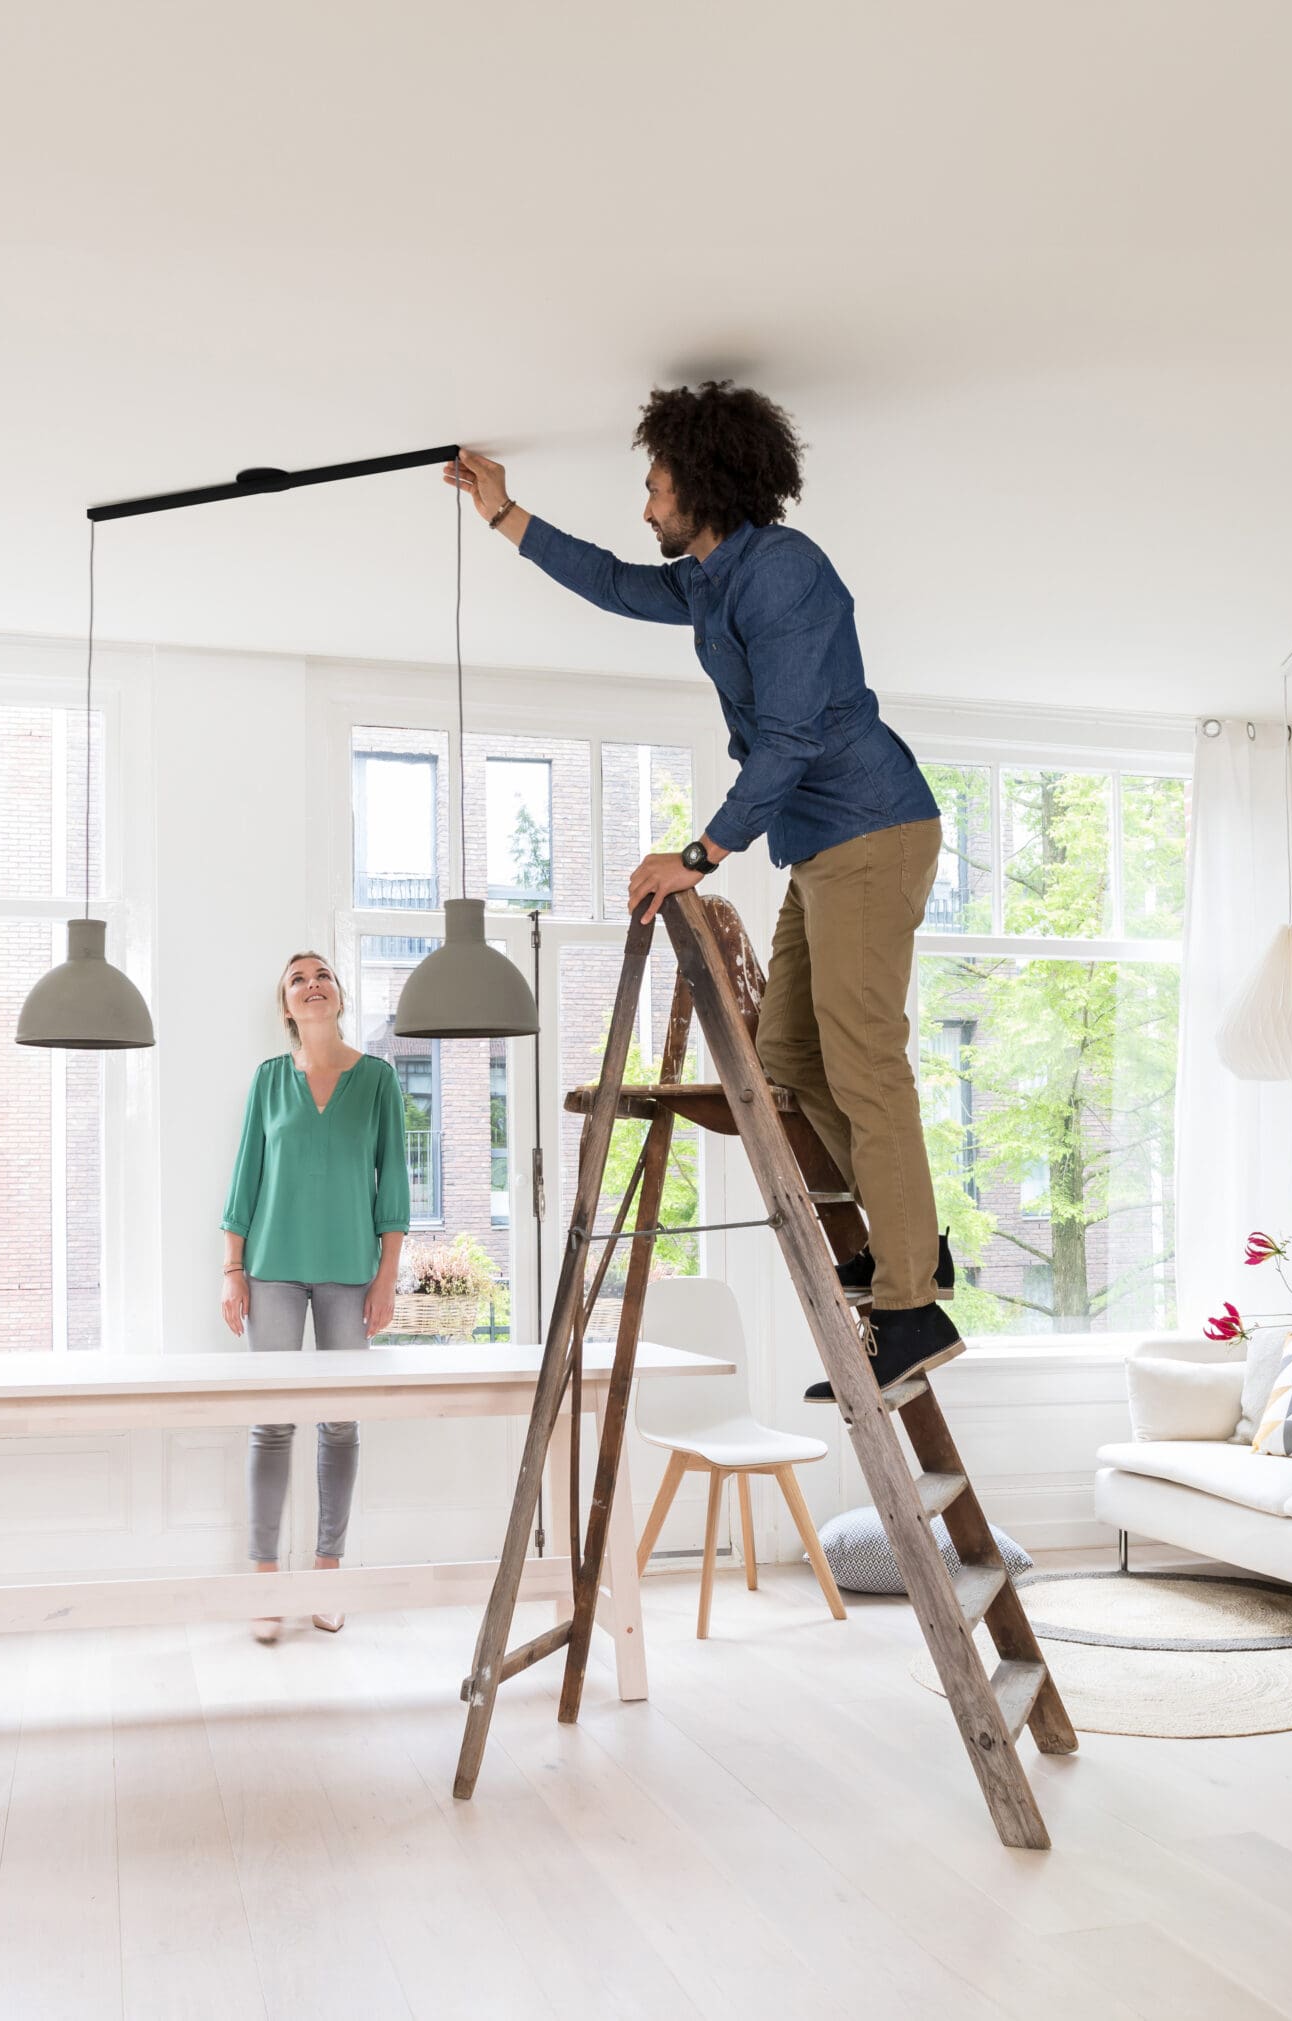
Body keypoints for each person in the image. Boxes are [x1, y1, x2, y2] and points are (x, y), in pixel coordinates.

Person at [447, 382, 958, 1402]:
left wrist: (702, 850)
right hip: (823, 845)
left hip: (873, 830)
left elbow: (792, 738)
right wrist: (503, 513)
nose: (645, 506)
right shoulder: (712, 581)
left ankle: (910, 1306)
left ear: (703, 480)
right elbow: (609, 581)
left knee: (865, 1060)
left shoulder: (786, 575)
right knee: (787, 1056)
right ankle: (911, 1245)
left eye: (654, 484)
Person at [220, 950, 410, 1641]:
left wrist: (388, 1274)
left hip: (349, 1271)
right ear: (287, 1006)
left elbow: (393, 1189)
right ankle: (266, 1580)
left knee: (339, 1421)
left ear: (338, 993)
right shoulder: (269, 1081)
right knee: (272, 1421)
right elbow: (245, 1177)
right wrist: (231, 1268)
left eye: (321, 974)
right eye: (296, 978)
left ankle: (329, 1572)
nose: (311, 984)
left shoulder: (378, 1081)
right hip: (271, 1267)